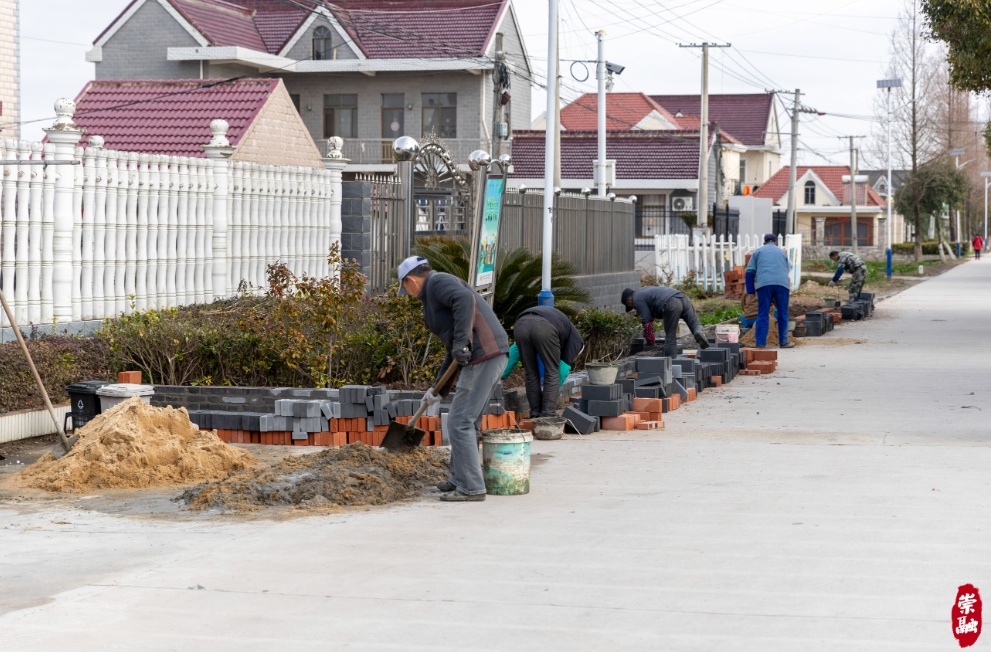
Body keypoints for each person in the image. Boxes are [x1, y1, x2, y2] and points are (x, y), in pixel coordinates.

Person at [398, 255, 509, 502]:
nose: (406, 293)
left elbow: (463, 300)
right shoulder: (433, 292)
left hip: (484, 355)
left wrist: (462, 343)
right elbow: (454, 351)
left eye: (404, 287)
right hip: (484, 355)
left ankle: (471, 487)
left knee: (459, 422)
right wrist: (438, 388)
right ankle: (459, 478)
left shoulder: (436, 282)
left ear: (410, 280)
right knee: (467, 422)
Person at [502, 306, 584, 418]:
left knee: (530, 373)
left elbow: (514, 352)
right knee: (552, 372)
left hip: (521, 325)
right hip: (545, 328)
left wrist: (500, 376)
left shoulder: (564, 328)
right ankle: (548, 416)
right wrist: (550, 394)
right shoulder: (576, 343)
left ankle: (535, 414)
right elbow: (561, 372)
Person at [621, 286, 709, 358]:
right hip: (683, 297)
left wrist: (650, 341)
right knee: (695, 324)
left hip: (671, 303)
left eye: (630, 306)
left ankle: (671, 364)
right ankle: (699, 332)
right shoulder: (643, 291)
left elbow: (647, 321)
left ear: (629, 299)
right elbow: (654, 305)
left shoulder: (636, 299)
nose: (633, 307)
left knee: (670, 335)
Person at [745, 233, 794, 349]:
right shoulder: (782, 252)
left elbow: (749, 272)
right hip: (782, 284)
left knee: (763, 313)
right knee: (783, 313)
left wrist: (750, 290)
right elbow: (788, 269)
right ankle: (784, 342)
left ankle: (761, 343)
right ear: (776, 242)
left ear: (764, 242)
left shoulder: (758, 252)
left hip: (764, 284)